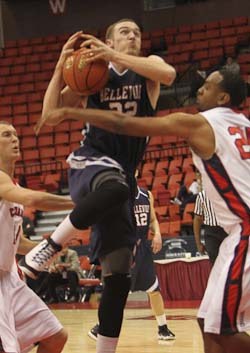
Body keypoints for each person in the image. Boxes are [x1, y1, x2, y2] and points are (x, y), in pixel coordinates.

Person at [40, 68, 250, 353]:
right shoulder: (243, 124)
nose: (200, 89)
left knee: (224, 332)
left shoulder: (202, 123)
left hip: (245, 234)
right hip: (234, 236)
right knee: (207, 322)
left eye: (209, 86)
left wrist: (78, 113)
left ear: (223, 96)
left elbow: (124, 122)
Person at [21, 19, 176, 353]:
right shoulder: (94, 74)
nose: (133, 35)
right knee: (117, 186)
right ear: (109, 39)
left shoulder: (149, 70)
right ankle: (47, 248)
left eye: (137, 32)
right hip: (91, 163)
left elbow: (169, 75)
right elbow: (50, 116)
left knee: (119, 274)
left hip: (125, 172)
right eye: (125, 32)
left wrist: (109, 52)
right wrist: (61, 68)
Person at [0, 121, 75, 353]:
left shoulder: (13, 183)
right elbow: (33, 199)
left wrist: (50, 248)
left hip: (10, 280)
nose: (15, 139)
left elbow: (17, 241)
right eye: (6, 135)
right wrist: (79, 203)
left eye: (15, 134)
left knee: (55, 336)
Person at [88, 182, 175, 341]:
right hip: (125, 246)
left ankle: (163, 328)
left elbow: (153, 220)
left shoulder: (146, 195)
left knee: (154, 288)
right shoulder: (118, 196)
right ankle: (100, 327)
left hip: (143, 248)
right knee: (117, 290)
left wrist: (157, 234)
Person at [193, 190, 228, 264]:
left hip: (227, 230)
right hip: (211, 232)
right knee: (215, 262)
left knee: (230, 261)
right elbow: (197, 219)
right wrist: (198, 243)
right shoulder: (202, 195)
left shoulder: (228, 193)